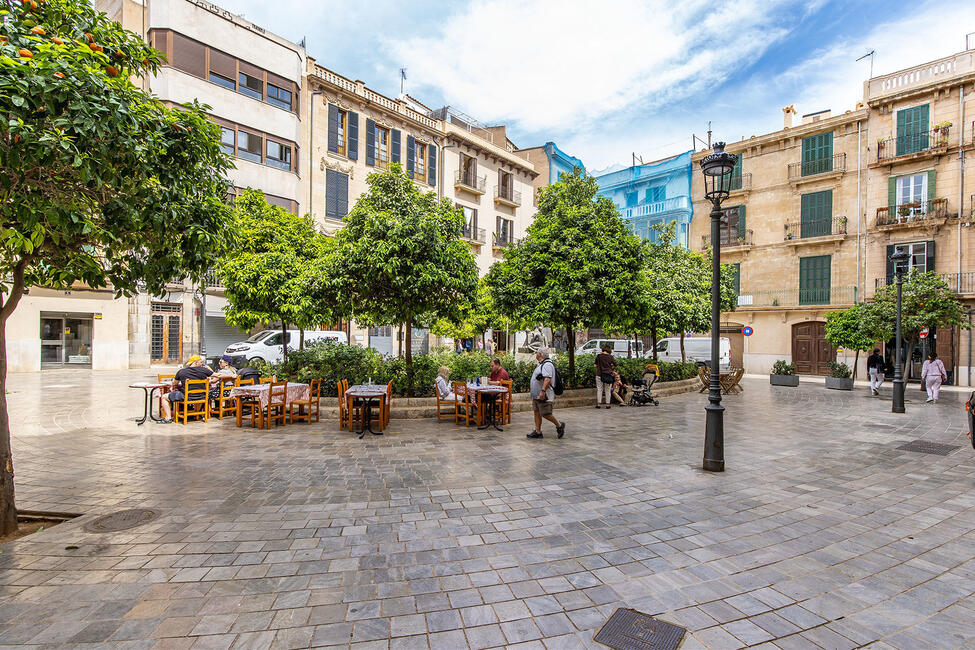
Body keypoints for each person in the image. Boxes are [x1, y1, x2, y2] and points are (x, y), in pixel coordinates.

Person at [160, 355, 214, 422]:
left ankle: (168, 418)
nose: (202, 364)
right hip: (201, 396)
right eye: (201, 362)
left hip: (187, 396)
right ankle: (196, 414)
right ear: (196, 362)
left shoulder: (182, 371)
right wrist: (230, 376)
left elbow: (174, 383)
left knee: (164, 397)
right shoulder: (204, 370)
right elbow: (217, 375)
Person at [528, 348, 564, 439]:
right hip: (537, 394)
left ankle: (559, 425)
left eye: (537, 352)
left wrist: (543, 391)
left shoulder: (547, 365)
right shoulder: (541, 364)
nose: (536, 354)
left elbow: (547, 379)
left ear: (540, 354)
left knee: (546, 413)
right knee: (536, 412)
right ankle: (538, 431)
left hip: (544, 394)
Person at [595, 344, 617, 409]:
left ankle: (599, 404)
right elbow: (616, 364)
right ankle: (607, 404)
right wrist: (611, 369)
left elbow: (595, 365)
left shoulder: (598, 356)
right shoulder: (611, 357)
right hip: (608, 375)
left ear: (603, 350)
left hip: (599, 374)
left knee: (599, 389)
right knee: (608, 390)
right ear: (609, 351)